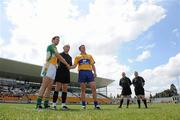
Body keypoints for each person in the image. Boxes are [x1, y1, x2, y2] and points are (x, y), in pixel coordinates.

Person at [36, 36, 70, 110]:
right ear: (53, 40)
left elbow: (56, 58)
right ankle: (38, 104)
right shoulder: (51, 46)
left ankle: (46, 104)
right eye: (56, 39)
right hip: (48, 66)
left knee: (49, 87)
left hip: (53, 67)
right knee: (44, 85)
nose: (58, 41)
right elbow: (59, 56)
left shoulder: (55, 48)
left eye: (59, 40)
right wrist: (66, 63)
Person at [70, 45, 100, 110]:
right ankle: (83, 105)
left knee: (93, 88)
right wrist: (68, 67)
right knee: (83, 90)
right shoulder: (77, 57)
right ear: (80, 49)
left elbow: (92, 65)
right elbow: (74, 66)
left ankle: (96, 105)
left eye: (84, 47)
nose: (84, 48)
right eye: (82, 47)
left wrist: (95, 72)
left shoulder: (89, 56)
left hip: (89, 72)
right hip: (82, 72)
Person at [52, 44, 72, 111]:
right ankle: (54, 104)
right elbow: (55, 62)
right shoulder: (59, 54)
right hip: (60, 72)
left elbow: (70, 66)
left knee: (65, 89)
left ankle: (63, 105)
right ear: (63, 48)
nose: (68, 48)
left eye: (69, 47)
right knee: (57, 87)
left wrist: (71, 67)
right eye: (66, 47)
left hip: (67, 73)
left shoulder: (70, 57)